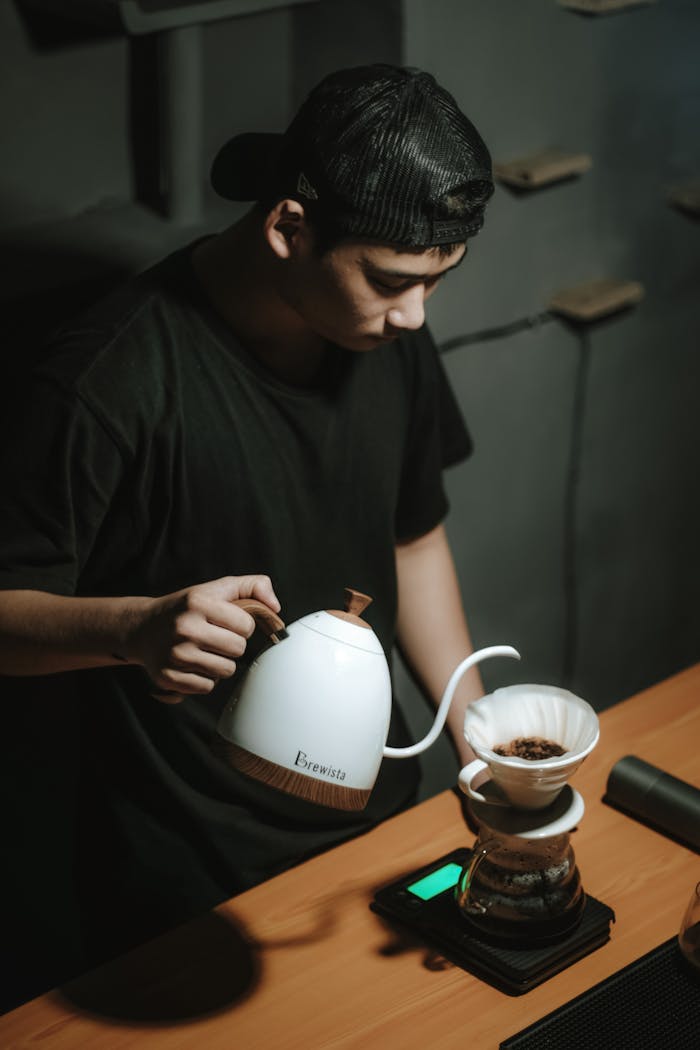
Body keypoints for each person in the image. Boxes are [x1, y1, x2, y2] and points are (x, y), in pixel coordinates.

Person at [0, 64, 494, 986]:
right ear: (288, 228)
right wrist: (133, 628)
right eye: (393, 281)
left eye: (438, 280)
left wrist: (475, 739)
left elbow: (414, 537)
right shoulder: (110, 376)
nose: (417, 314)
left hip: (378, 824)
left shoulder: (384, 333)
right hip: (194, 880)